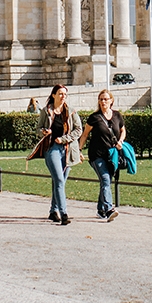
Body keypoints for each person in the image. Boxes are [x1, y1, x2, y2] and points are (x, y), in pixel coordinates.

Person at [37, 84, 82, 225]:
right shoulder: (46, 111)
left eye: (65, 94)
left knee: (59, 181)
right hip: (52, 149)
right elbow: (38, 129)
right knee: (60, 181)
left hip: (68, 149)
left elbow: (78, 130)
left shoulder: (71, 111)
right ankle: (64, 214)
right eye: (60, 94)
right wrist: (44, 132)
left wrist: (64, 139)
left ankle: (53, 211)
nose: (63, 97)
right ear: (53, 95)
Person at [85, 89, 126, 222]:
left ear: (111, 101)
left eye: (106, 99)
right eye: (101, 99)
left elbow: (122, 130)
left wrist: (120, 141)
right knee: (105, 179)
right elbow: (85, 135)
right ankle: (109, 209)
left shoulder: (117, 116)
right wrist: (77, 151)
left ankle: (100, 210)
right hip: (96, 155)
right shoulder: (94, 117)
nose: (103, 101)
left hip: (111, 155)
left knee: (105, 181)